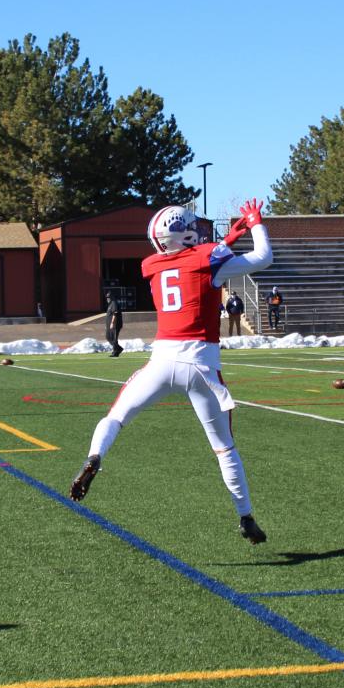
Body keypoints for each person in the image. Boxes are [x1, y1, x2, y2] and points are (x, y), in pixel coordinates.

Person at [69, 198, 274, 544]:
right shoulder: (209, 260)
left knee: (116, 417)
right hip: (201, 365)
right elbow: (262, 258)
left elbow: (194, 259)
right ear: (181, 231)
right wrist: (254, 224)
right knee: (224, 448)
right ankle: (245, 517)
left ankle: (95, 457)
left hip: (161, 361)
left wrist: (226, 241)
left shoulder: (152, 264)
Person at [103, 292, 124, 358]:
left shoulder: (114, 303)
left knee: (114, 338)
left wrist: (112, 323)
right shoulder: (110, 304)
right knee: (108, 337)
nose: (107, 299)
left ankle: (115, 352)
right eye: (107, 297)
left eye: (109, 297)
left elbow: (115, 314)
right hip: (109, 325)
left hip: (115, 325)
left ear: (112, 297)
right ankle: (119, 348)